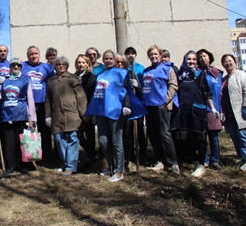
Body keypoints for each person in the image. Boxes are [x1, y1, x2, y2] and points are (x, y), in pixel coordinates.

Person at [85, 50, 145, 182]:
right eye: (106, 59)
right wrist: (94, 112)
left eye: (110, 58)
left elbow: (128, 91)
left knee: (117, 141)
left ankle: (119, 171)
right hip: (102, 112)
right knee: (102, 141)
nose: (108, 61)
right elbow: (97, 95)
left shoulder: (123, 73)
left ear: (114, 60)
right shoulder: (100, 75)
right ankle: (111, 166)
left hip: (116, 111)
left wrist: (127, 105)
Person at [0, 58, 36, 174]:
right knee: (8, 142)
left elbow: (30, 98)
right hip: (7, 114)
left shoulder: (26, 79)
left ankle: (23, 164)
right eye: (13, 65)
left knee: (21, 141)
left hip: (21, 113)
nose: (16, 67)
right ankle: (10, 165)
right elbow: (1, 95)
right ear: (10, 67)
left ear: (21, 67)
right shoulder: (4, 79)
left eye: (18, 66)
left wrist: (32, 118)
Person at [172, 51, 213, 178]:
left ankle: (201, 165)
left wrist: (213, 108)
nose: (191, 61)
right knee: (185, 139)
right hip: (184, 111)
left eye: (194, 59)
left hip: (197, 111)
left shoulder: (201, 75)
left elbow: (206, 93)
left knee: (199, 139)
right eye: (189, 59)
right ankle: (195, 162)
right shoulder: (180, 75)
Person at [140, 45, 180, 175]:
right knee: (153, 134)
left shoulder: (167, 68)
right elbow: (145, 88)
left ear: (160, 55)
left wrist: (166, 100)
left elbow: (173, 85)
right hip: (149, 106)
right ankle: (160, 160)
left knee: (164, 133)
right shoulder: (146, 71)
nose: (153, 56)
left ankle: (173, 162)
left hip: (161, 106)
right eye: (151, 54)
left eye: (155, 54)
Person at [45, 56, 87, 176]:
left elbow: (81, 97)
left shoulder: (73, 79)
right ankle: (66, 161)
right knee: (59, 139)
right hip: (57, 115)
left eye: (64, 64)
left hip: (72, 114)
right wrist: (47, 116)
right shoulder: (51, 81)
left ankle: (71, 166)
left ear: (67, 66)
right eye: (58, 64)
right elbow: (48, 100)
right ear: (55, 66)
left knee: (73, 139)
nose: (61, 66)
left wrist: (83, 113)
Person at [220, 54, 246, 171]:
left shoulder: (241, 75)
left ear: (235, 62)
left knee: (242, 136)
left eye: (230, 61)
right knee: (235, 137)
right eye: (225, 62)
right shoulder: (224, 80)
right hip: (229, 114)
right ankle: (242, 158)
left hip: (240, 112)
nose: (228, 63)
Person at [22, 46, 55, 161]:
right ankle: (30, 153)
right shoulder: (23, 67)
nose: (34, 56)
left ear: (39, 55)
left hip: (43, 103)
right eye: (31, 54)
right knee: (29, 129)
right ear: (28, 56)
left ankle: (46, 155)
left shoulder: (47, 68)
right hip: (28, 103)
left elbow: (53, 83)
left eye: (36, 53)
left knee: (45, 130)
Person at [197, 49, 224, 170]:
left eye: (204, 56)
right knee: (202, 136)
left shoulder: (217, 73)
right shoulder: (197, 73)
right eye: (200, 57)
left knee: (213, 136)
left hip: (214, 109)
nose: (203, 58)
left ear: (209, 57)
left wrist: (221, 110)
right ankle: (205, 160)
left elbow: (221, 93)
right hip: (200, 109)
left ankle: (215, 160)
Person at [73, 54, 97, 167]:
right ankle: (91, 152)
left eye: (83, 62)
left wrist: (89, 111)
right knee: (79, 135)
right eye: (79, 62)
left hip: (87, 109)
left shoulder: (91, 77)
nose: (81, 64)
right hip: (75, 110)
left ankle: (91, 156)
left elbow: (92, 95)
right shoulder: (73, 77)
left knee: (89, 134)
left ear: (87, 64)